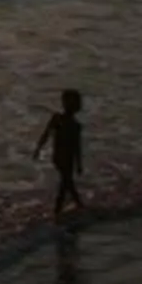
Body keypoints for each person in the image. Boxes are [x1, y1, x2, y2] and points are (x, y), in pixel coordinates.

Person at [33, 88, 86, 217]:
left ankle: (66, 207)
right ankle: (68, 207)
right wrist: (38, 148)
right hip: (59, 157)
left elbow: (77, 147)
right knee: (66, 181)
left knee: (67, 182)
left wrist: (78, 164)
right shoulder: (57, 119)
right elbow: (46, 134)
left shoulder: (76, 125)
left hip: (69, 158)